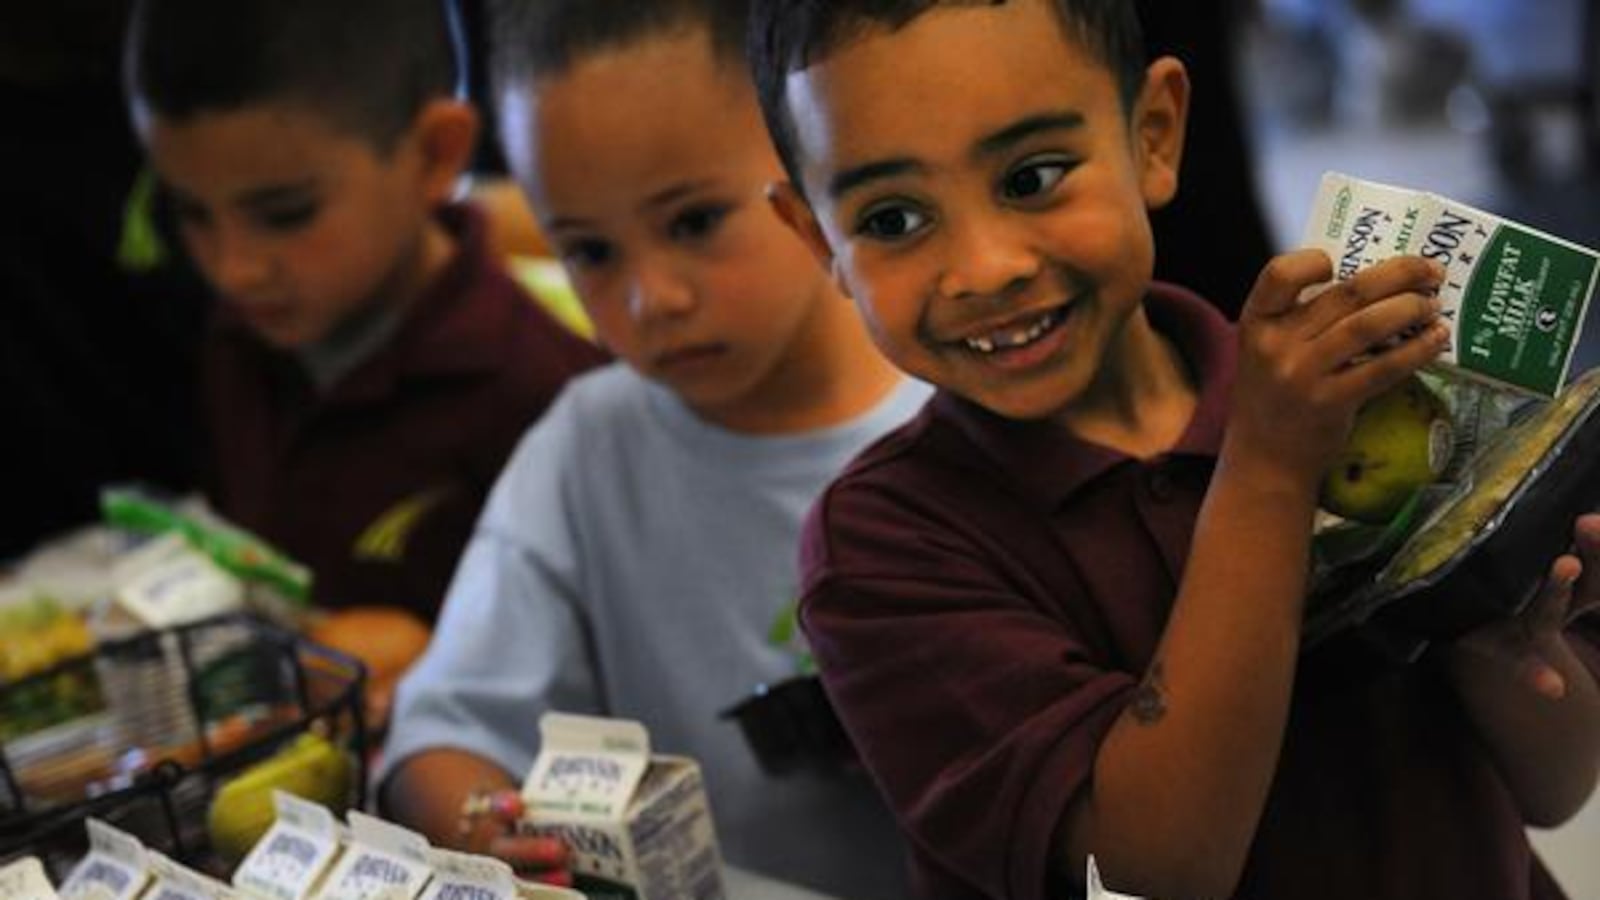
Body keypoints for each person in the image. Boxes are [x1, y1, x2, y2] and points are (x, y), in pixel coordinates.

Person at [745, 1, 1600, 898]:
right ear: (816, 238)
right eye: (891, 220)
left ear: (1152, 136)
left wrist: (1490, 638)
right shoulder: (888, 551)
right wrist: (1267, 470)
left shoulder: (1356, 400)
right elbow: (1150, 874)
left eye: (1033, 177)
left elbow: (1555, 787)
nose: (985, 266)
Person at [379, 1, 929, 895]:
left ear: (811, 155)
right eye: (589, 251)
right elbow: (442, 734)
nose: (650, 299)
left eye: (694, 222)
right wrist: (488, 827)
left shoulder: (973, 417)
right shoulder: (586, 450)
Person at [121, 0, 608, 623]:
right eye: (192, 213)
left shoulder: (543, 396)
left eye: (287, 214)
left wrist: (437, 665)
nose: (233, 267)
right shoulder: (237, 342)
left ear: (435, 154)